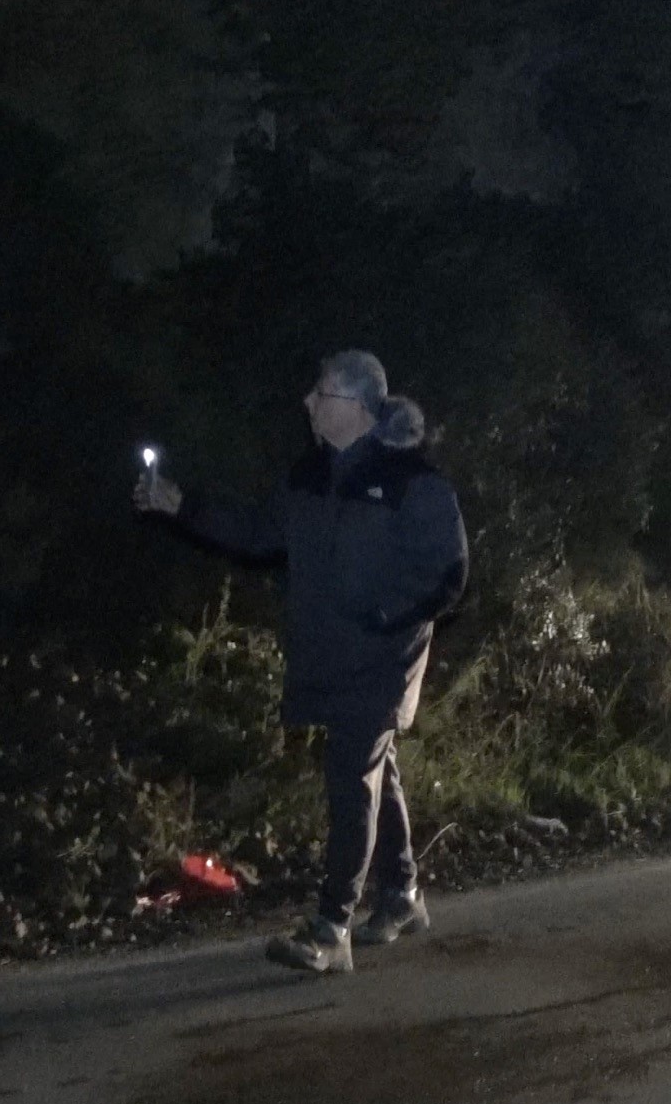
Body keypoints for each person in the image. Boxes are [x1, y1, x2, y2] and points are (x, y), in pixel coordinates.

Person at [134, 351, 469, 976]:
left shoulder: (412, 481)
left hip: (386, 654)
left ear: (357, 407)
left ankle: (331, 927)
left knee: (351, 773)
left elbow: (448, 573)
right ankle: (401, 894)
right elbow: (258, 533)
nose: (307, 403)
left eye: (322, 393)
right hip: (330, 647)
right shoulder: (311, 475)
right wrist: (182, 507)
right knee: (375, 765)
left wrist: (383, 617)